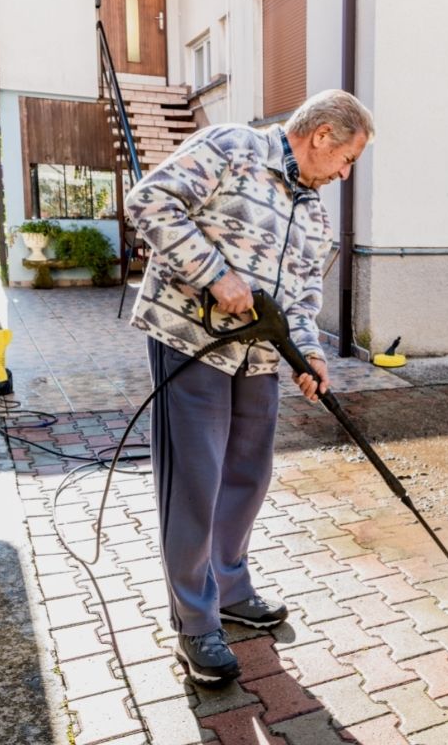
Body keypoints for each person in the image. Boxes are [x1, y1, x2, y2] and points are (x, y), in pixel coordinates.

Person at [124, 90, 374, 684]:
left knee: (247, 477)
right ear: (322, 136)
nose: (344, 174)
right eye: (346, 160)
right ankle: (194, 623)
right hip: (193, 346)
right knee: (195, 482)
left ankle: (230, 589)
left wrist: (309, 351)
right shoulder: (232, 147)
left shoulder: (311, 209)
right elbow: (149, 201)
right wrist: (216, 276)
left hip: (259, 361)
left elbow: (305, 294)